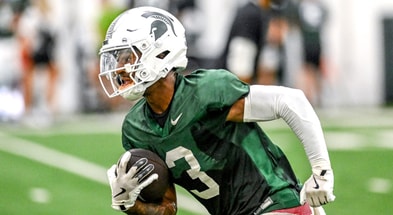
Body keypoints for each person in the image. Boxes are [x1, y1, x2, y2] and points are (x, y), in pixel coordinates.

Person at [99, 6, 335, 215]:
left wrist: (321, 172)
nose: (119, 69)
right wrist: (130, 204)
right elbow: (168, 209)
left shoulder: (206, 91)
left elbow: (291, 101)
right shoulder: (135, 129)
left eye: (127, 57)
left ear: (159, 53)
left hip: (274, 201)